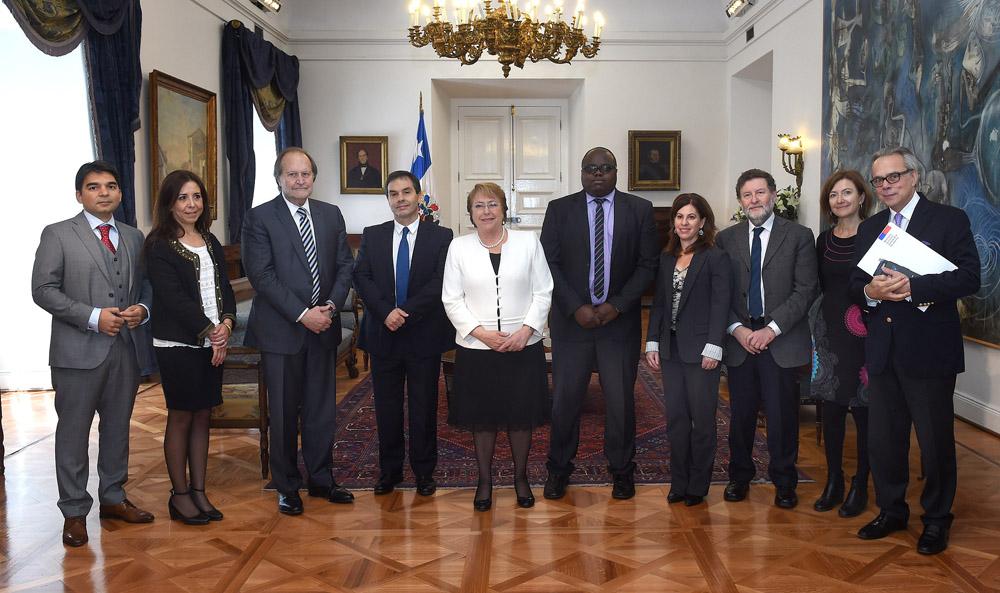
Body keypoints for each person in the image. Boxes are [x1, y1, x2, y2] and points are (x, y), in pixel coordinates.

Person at [850, 146, 980, 555]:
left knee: (934, 441)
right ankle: (892, 510)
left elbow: (970, 277)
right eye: (878, 180)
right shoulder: (871, 228)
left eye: (893, 177)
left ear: (914, 177)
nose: (885, 186)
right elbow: (855, 285)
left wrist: (913, 288)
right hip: (883, 352)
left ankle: (937, 519)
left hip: (929, 352)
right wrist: (870, 291)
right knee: (885, 441)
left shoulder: (948, 220)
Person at [31, 160, 155, 547]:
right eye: (94, 186)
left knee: (118, 429)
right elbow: (43, 289)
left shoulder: (134, 237)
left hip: (125, 350)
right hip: (76, 353)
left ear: (119, 192)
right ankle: (73, 511)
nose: (104, 192)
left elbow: (146, 287)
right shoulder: (58, 234)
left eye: (111, 185)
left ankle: (114, 498)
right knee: (73, 433)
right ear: (79, 194)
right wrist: (92, 316)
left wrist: (142, 310)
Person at [540, 147, 659, 501]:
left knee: (620, 402)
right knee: (565, 401)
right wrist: (575, 306)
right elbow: (549, 262)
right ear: (581, 172)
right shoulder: (559, 210)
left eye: (605, 168)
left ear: (616, 172)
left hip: (617, 325)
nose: (597, 174)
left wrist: (618, 306)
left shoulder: (639, 210)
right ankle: (558, 469)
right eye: (591, 168)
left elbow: (647, 264)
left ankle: (622, 471)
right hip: (571, 324)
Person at [242, 147, 355, 515]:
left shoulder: (330, 214)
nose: (300, 180)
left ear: (313, 177)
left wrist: (332, 306)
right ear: (279, 178)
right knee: (285, 411)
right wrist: (303, 313)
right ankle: (287, 485)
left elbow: (344, 267)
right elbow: (262, 277)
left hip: (324, 326)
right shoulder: (259, 218)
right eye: (292, 174)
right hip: (282, 332)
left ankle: (322, 479)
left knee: (322, 410)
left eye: (305, 173)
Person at [442, 183, 553, 511]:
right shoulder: (458, 248)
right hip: (477, 349)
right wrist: (482, 334)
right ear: (470, 214)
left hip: (524, 345)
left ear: (504, 209)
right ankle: (485, 480)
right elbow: (451, 298)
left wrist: (527, 329)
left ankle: (521, 478)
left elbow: (544, 290)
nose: (486, 211)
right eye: (479, 206)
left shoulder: (528, 242)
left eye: (493, 204)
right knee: (483, 418)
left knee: (521, 417)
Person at [715, 168, 818, 509]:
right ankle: (738, 477)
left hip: (780, 341)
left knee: (782, 416)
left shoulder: (799, 236)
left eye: (760, 193)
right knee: (741, 416)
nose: (754, 200)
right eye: (747, 195)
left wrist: (770, 330)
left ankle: (785, 482)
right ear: (741, 201)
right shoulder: (725, 239)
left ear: (773, 194)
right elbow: (720, 294)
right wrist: (738, 330)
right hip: (741, 341)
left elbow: (805, 291)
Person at [353, 170, 454, 496]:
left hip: (423, 334)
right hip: (384, 334)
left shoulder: (441, 237)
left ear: (419, 196)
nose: (400, 199)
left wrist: (405, 313)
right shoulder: (373, 234)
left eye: (406, 192)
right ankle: (389, 471)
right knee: (387, 407)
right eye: (394, 194)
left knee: (424, 407)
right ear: (388, 200)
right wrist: (386, 313)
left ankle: (425, 473)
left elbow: (440, 283)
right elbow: (362, 277)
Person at [144, 170, 236, 524]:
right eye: (183, 197)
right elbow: (173, 299)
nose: (191, 204)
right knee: (181, 415)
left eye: (196, 196)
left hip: (213, 341)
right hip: (178, 344)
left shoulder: (210, 240)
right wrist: (210, 331)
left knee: (204, 415)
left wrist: (226, 324)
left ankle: (199, 490)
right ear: (169, 203)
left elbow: (225, 289)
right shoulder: (159, 245)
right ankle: (179, 495)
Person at [644, 193, 731, 507]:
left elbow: (722, 305)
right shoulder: (667, 257)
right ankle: (678, 482)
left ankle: (698, 484)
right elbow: (659, 304)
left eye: (691, 217)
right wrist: (652, 340)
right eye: (680, 217)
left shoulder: (715, 257)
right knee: (676, 419)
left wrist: (714, 346)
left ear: (703, 222)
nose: (684, 223)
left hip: (702, 351)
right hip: (671, 350)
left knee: (703, 420)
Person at [810, 170, 873, 517]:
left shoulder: (877, 234)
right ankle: (834, 479)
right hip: (829, 334)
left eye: (847, 192)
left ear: (861, 197)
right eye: (834, 195)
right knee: (831, 409)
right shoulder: (823, 240)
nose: (840, 199)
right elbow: (820, 287)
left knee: (864, 413)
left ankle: (861, 483)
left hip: (865, 334)